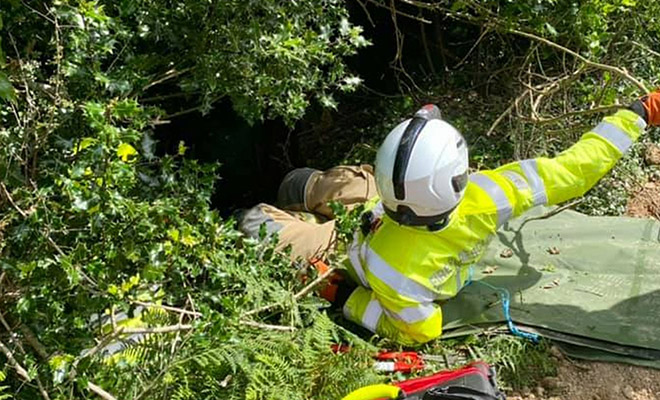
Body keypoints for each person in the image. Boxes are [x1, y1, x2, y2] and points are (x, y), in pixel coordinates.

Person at [239, 91, 660, 345]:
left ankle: (297, 204)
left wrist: (344, 297)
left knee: (256, 222)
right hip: (378, 212)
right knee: (324, 187)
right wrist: (638, 113)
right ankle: (303, 197)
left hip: (350, 248)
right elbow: (576, 169)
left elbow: (417, 333)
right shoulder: (492, 193)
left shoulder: (394, 271)